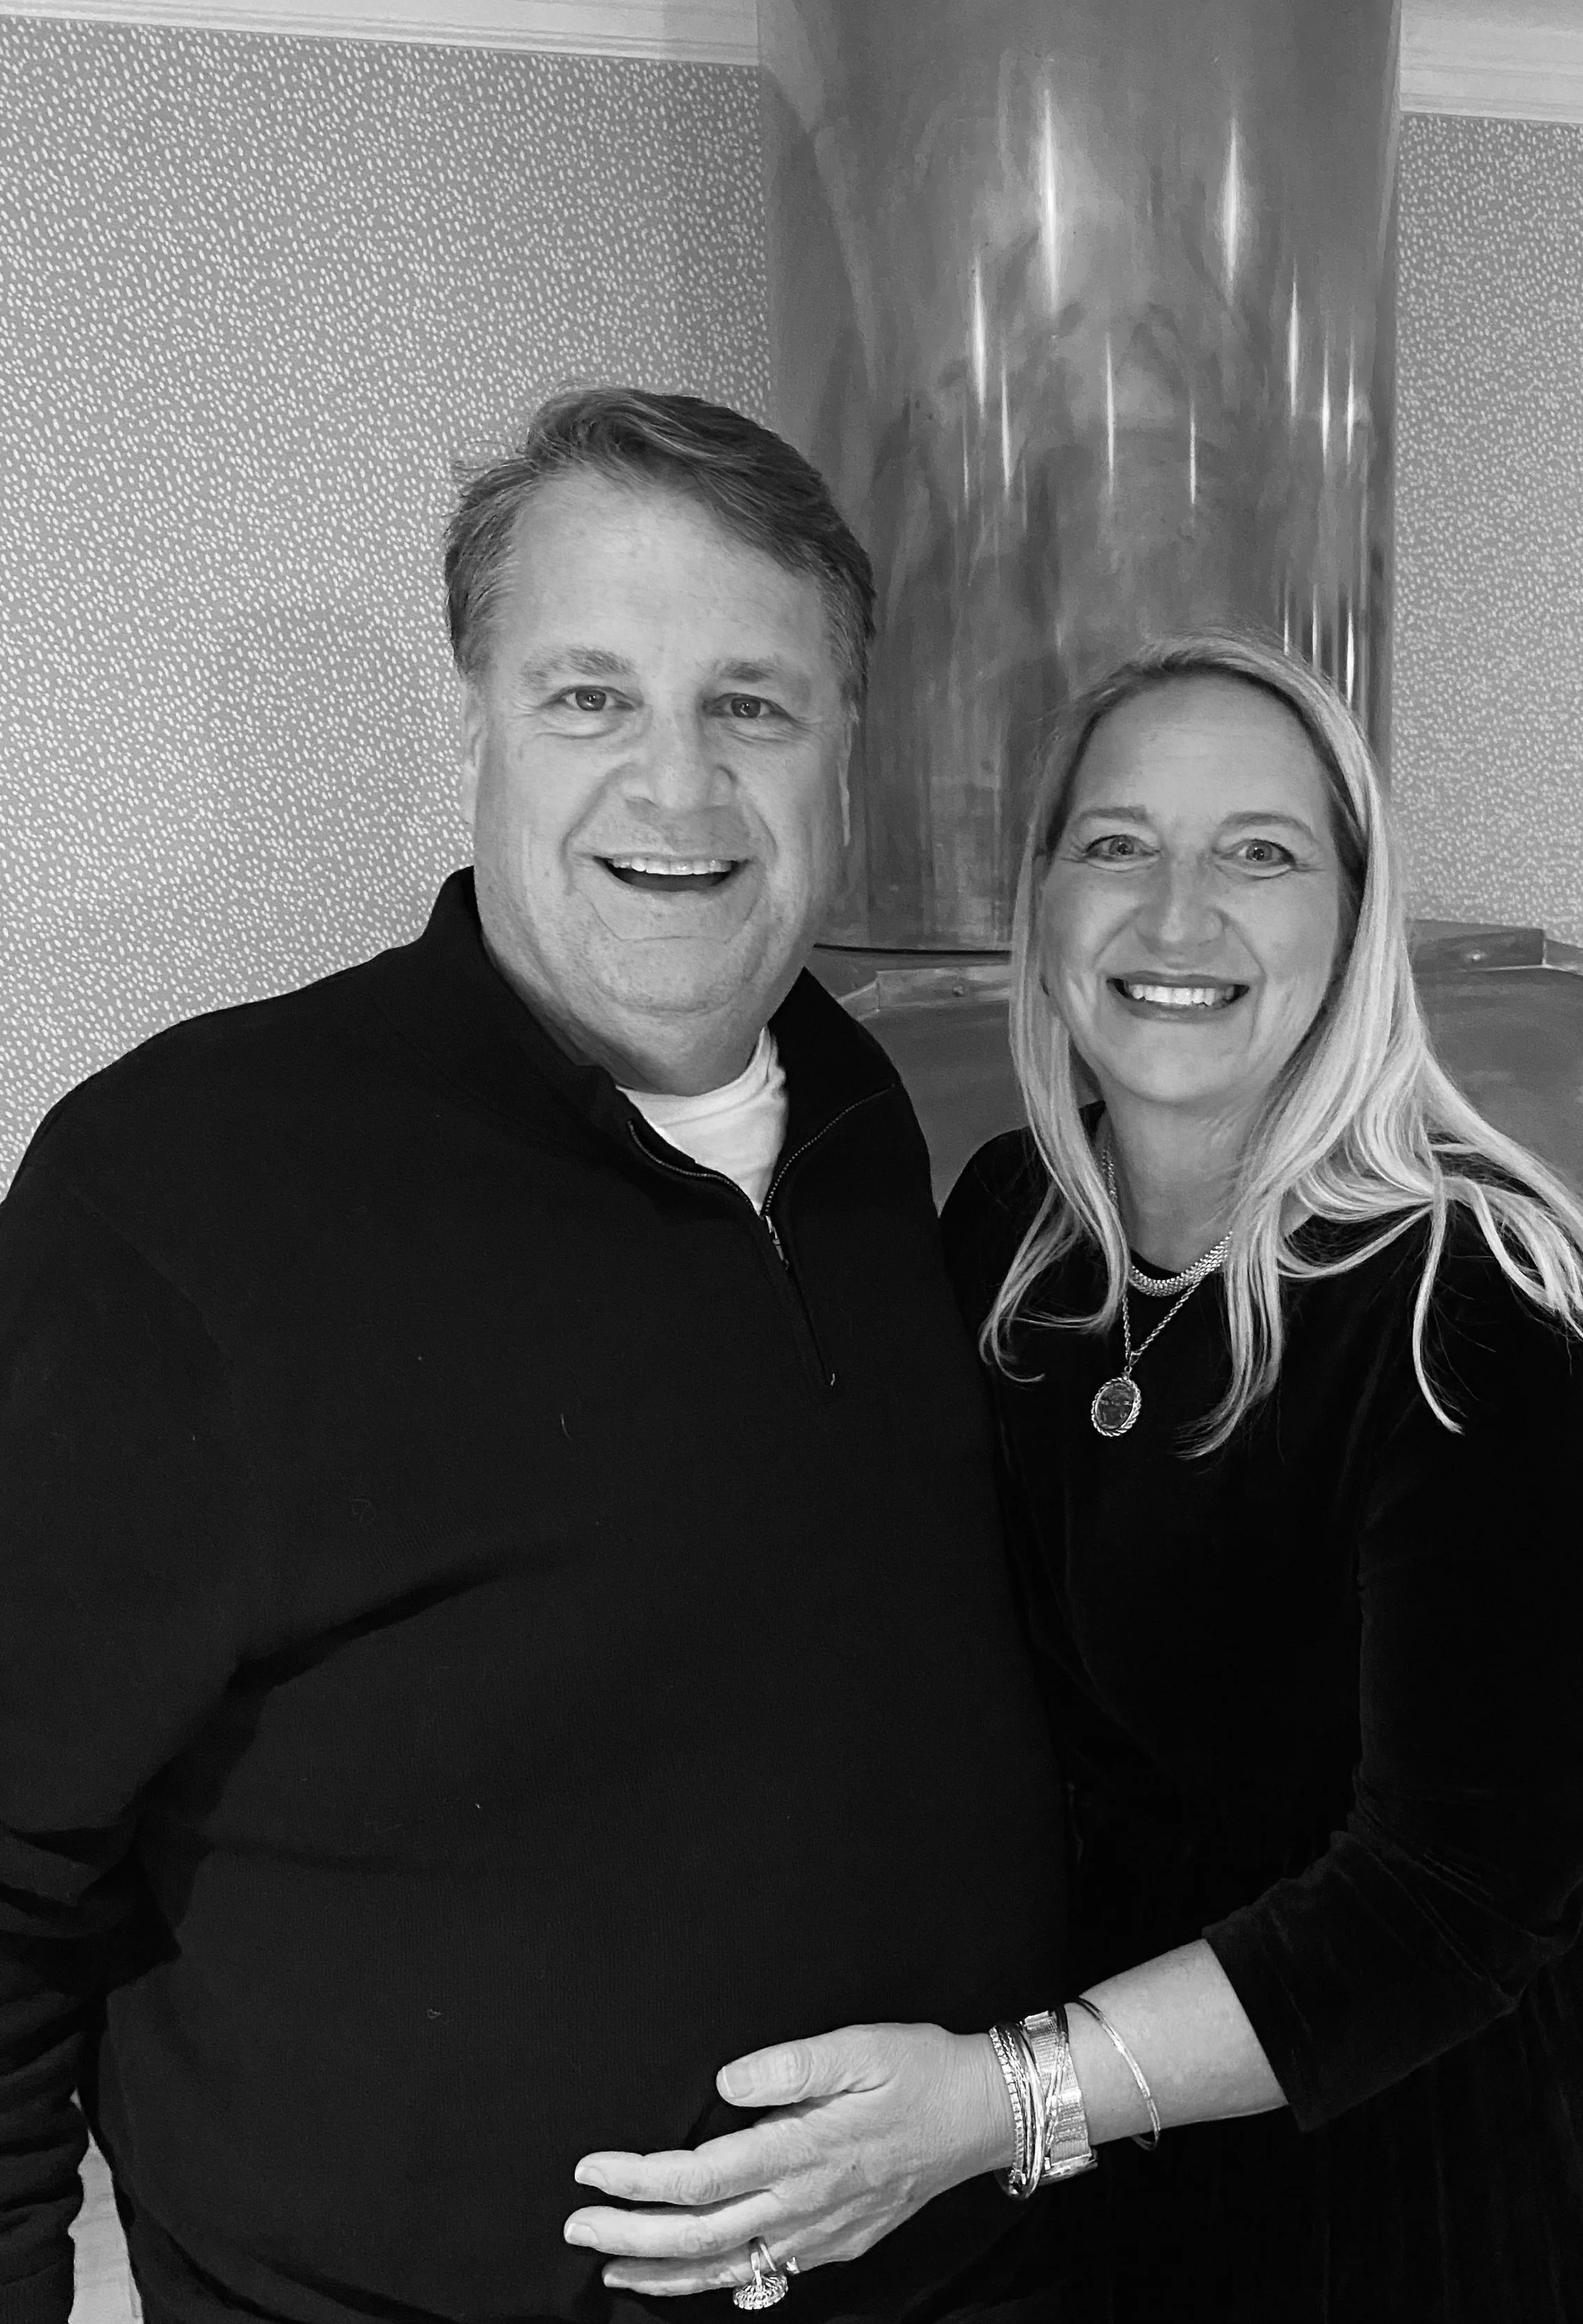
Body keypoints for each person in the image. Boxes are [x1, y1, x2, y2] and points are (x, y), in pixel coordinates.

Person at [0, 387, 1074, 2324]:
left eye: (752, 704)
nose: (676, 789)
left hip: (952, 2262)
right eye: (590, 696)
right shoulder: (181, 1185)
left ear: (847, 749)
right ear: (475, 721)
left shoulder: (861, 1117)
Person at [561, 633, 1583, 2322]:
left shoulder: (1479, 1301)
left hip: (1436, 2138)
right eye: (1117, 845)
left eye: (1258, 852)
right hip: (1114, 2118)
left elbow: (1448, 1903)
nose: (1177, 917)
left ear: (1351, 911)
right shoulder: (1011, 1222)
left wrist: (1004, 2100)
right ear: (1041, 900)